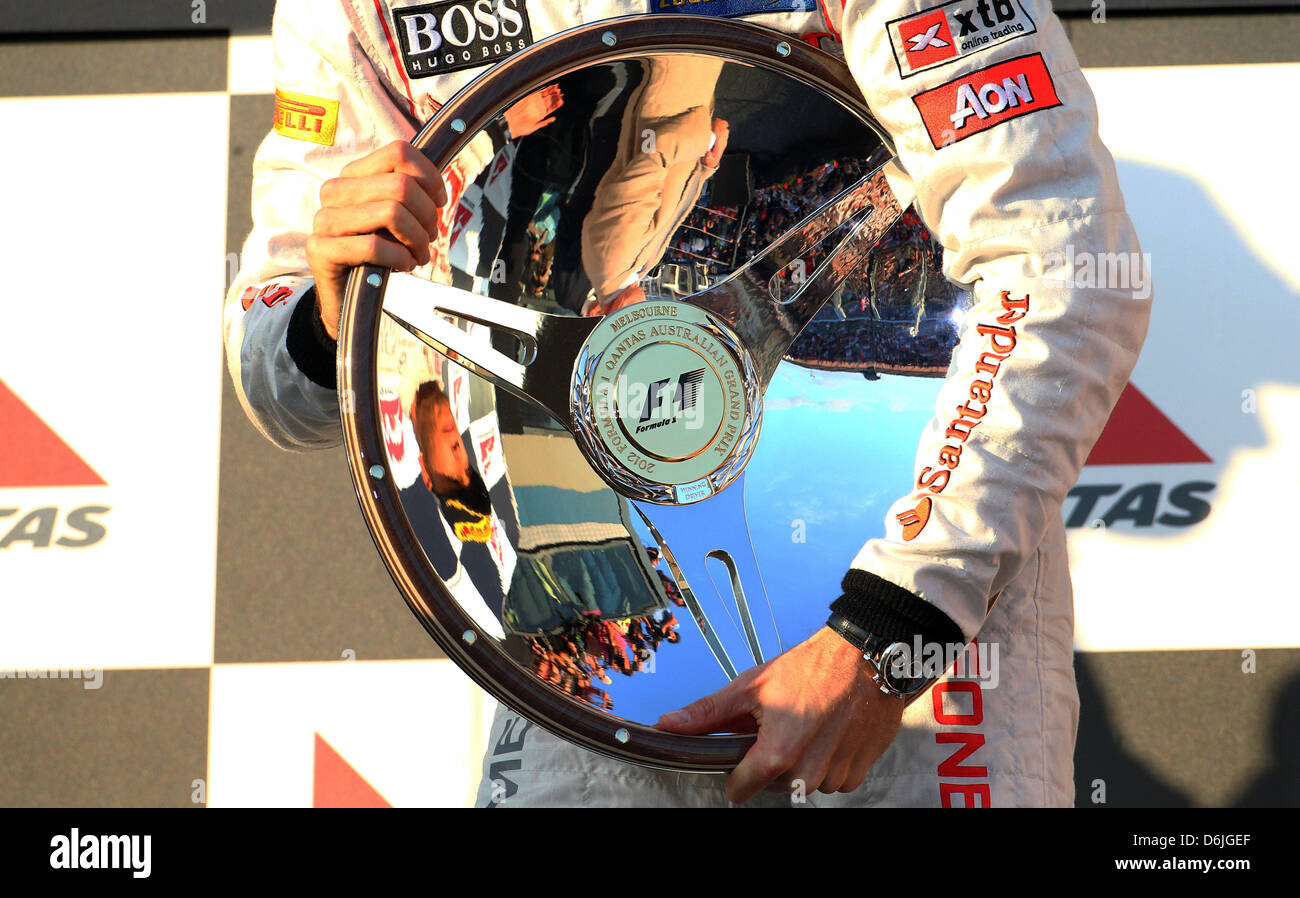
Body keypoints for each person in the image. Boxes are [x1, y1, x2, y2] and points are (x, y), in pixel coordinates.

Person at [226, 0, 1150, 807]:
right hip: (592, 662)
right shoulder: (356, 8)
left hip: (908, 637)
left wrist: (891, 632)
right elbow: (280, 377)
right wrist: (328, 315)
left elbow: (1062, 261)